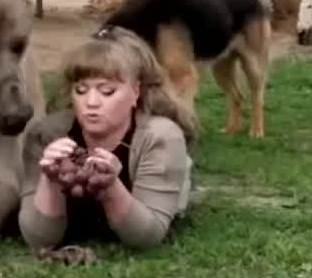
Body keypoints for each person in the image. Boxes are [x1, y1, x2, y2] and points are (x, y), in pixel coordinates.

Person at [18, 25, 196, 258]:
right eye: (81, 90)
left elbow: (147, 237)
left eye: (107, 91)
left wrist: (110, 187)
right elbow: (38, 239)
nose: (91, 102)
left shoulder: (160, 136)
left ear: (135, 92)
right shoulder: (47, 134)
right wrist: (50, 180)